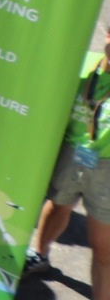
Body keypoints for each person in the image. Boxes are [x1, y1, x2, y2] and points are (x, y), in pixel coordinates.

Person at [30, 23, 110, 296]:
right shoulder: (82, 64)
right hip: (71, 152)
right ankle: (39, 255)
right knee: (57, 205)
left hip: (106, 169)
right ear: (107, 35)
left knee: (103, 247)